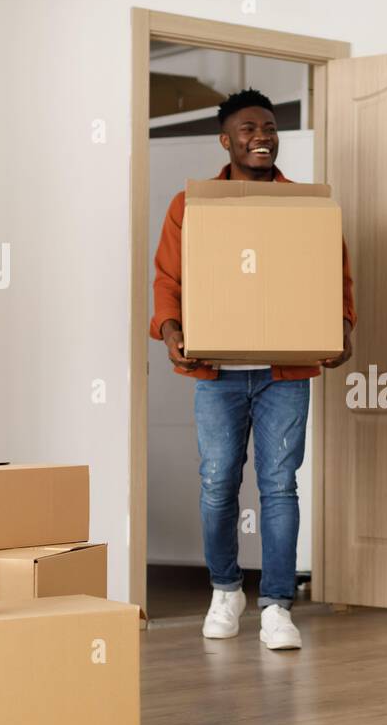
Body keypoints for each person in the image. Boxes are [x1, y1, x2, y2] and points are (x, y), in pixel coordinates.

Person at [150, 88, 356, 650]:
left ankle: (277, 605)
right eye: (247, 129)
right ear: (226, 140)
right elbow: (168, 280)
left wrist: (343, 327)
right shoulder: (192, 204)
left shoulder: (306, 205)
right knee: (218, 483)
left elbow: (333, 277)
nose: (261, 136)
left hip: (282, 373)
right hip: (217, 372)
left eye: (268, 127)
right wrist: (171, 331)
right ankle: (225, 589)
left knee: (279, 486)